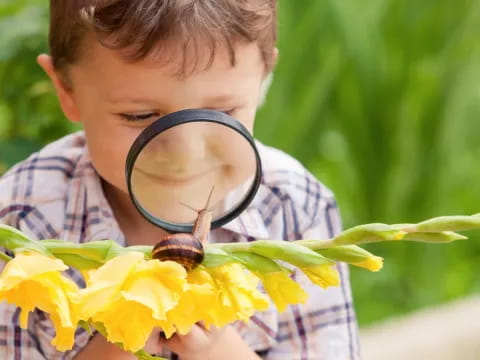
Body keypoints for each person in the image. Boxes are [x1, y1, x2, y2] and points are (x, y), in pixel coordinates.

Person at [0, 1, 360, 359]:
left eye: (222, 112)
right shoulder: (23, 214)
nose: (186, 151)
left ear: (264, 77)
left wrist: (221, 352)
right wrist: (122, 339)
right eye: (139, 115)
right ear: (66, 90)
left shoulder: (295, 206)